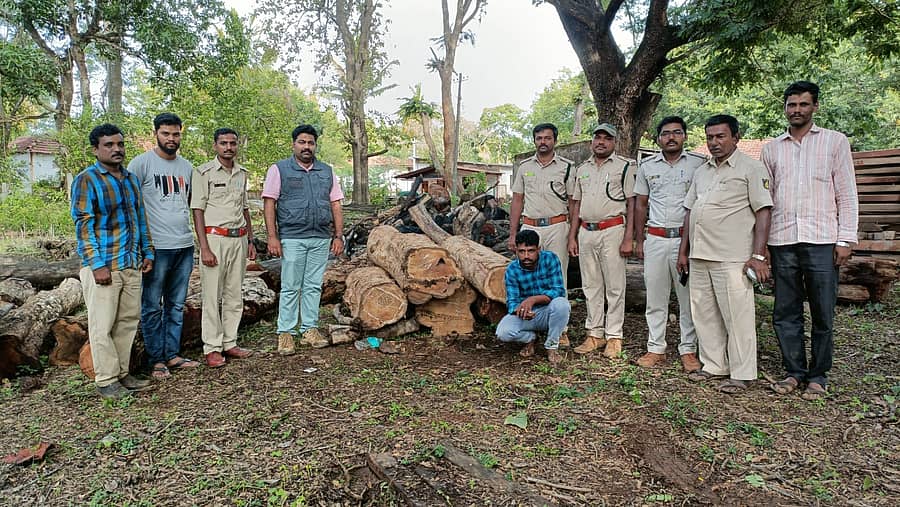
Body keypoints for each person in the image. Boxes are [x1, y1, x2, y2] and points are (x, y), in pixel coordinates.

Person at [763, 81, 858, 401]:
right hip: (782, 239)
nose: (797, 110)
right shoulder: (772, 148)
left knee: (822, 312)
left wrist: (845, 239)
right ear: (785, 108)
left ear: (815, 106)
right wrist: (763, 247)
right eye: (791, 105)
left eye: (803, 104)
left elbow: (846, 193)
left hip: (822, 240)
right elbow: (765, 199)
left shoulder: (834, 142)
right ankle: (793, 372)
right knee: (785, 311)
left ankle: (818, 376)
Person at [677, 115, 773, 394]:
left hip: (732, 256)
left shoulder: (752, 168)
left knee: (737, 317)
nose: (714, 142)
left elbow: (763, 211)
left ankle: (743, 373)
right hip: (700, 254)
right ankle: (714, 365)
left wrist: (758, 256)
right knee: (704, 314)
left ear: (736, 137)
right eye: (710, 137)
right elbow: (690, 212)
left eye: (720, 136)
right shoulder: (702, 171)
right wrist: (684, 251)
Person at [71, 124, 154, 399]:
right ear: (96, 149)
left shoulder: (130, 179)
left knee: (127, 321)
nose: (116, 149)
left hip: (130, 262)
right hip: (104, 265)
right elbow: (83, 225)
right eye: (109, 145)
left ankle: (121, 373)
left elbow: (140, 218)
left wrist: (147, 251)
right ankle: (106, 380)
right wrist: (96, 264)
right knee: (102, 324)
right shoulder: (87, 180)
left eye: (119, 144)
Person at [128, 113, 198, 379]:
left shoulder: (186, 167)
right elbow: (132, 206)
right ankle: (156, 359)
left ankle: (172, 354)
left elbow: (190, 204)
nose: (171, 138)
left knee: (176, 304)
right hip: (156, 247)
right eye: (166, 133)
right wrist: (142, 246)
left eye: (176, 134)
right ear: (155, 133)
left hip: (184, 244)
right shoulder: (141, 164)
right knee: (152, 305)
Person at [263, 124, 344, 355]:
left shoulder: (326, 171)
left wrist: (338, 236)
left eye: (310, 143)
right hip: (292, 237)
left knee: (313, 286)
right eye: (302, 142)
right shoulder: (279, 170)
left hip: (320, 237)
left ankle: (309, 329)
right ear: (294, 145)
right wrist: (272, 237)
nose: (306, 147)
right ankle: (286, 332)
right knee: (291, 286)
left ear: (315, 145)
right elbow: (269, 203)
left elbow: (336, 204)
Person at [633, 117, 705, 373]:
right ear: (658, 139)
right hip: (655, 238)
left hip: (686, 240)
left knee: (687, 298)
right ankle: (656, 348)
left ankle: (688, 349)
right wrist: (639, 239)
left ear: (685, 136)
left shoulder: (698, 164)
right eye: (665, 133)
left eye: (676, 132)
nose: (671, 137)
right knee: (655, 296)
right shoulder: (647, 166)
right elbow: (641, 204)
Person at [568, 123, 636, 359]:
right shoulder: (582, 169)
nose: (601, 142)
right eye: (598, 137)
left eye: (607, 138)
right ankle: (594, 333)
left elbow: (632, 203)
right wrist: (572, 236)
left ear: (614, 142)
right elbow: (576, 204)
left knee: (615, 286)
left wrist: (629, 237)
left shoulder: (624, 167)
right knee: (591, 285)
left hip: (613, 229)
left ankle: (614, 336)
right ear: (592, 141)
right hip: (587, 231)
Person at [190, 128, 257, 368]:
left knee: (234, 293)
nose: (228, 147)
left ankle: (230, 341)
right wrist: (204, 247)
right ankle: (212, 347)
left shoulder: (242, 174)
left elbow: (244, 208)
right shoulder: (203, 172)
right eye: (223, 143)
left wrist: (251, 240)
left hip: (238, 238)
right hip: (214, 238)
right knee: (211, 295)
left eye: (232, 143)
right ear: (215, 146)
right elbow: (197, 210)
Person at [508, 123, 574, 347]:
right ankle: (531, 321)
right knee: (528, 272)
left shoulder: (566, 167)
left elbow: (573, 202)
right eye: (539, 138)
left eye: (547, 138)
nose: (543, 142)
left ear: (555, 140)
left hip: (557, 226)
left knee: (559, 276)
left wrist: (572, 235)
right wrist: (513, 234)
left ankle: (560, 329)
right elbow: (517, 200)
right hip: (530, 226)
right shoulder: (525, 166)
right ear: (534, 141)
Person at [496, 229, 570, 366]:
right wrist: (521, 310)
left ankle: (552, 346)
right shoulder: (512, 269)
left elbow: (558, 291)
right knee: (503, 332)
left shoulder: (550, 259)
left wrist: (532, 299)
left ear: (539, 249)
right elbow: (512, 302)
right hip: (526, 315)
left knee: (562, 305)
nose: (526, 256)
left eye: (531, 251)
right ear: (516, 251)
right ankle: (530, 338)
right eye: (521, 251)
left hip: (548, 312)